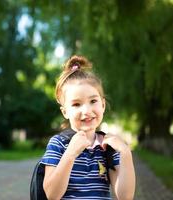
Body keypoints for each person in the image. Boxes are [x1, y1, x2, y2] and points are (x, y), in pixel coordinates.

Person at [41, 55, 135, 200]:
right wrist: (70, 154)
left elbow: (125, 197)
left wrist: (126, 153)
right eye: (76, 104)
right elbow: (52, 195)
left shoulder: (108, 147)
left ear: (102, 105)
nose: (86, 111)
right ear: (65, 112)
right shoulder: (58, 144)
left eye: (93, 101)